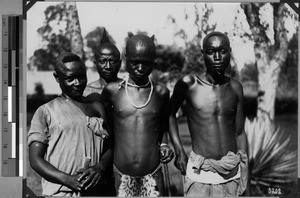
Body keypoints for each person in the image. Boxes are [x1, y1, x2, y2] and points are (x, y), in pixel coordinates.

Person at [168, 31, 249, 197]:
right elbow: (169, 114)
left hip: (231, 173)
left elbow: (240, 132)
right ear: (203, 54)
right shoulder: (189, 84)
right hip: (200, 174)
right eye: (211, 52)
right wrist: (179, 150)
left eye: (223, 51)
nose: (217, 57)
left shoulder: (235, 87)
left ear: (229, 51)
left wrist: (246, 173)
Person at [28, 52, 112, 196]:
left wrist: (100, 167)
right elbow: (35, 159)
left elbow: (110, 146)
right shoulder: (46, 111)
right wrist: (68, 179)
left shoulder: (97, 107)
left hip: (95, 192)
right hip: (62, 193)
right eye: (70, 78)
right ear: (57, 77)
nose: (77, 83)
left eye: (81, 76)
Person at [101, 34, 174, 197]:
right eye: (135, 62)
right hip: (120, 175)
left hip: (153, 175)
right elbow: (106, 127)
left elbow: (163, 124)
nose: (140, 68)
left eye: (147, 63)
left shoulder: (161, 92)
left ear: (154, 60)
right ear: (126, 58)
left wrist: (164, 145)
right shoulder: (113, 91)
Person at [83, 28, 122, 98]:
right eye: (103, 61)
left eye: (112, 61)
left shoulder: (127, 90)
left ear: (119, 64)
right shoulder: (86, 92)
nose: (108, 66)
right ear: (95, 64)